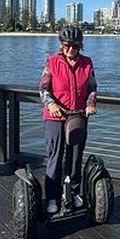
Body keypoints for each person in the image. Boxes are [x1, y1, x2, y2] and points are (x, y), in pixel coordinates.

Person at [39, 26, 97, 214]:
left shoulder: (87, 63)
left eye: (75, 46)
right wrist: (51, 104)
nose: (71, 49)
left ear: (80, 46)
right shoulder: (52, 62)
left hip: (78, 115)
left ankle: (73, 191)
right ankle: (53, 197)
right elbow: (43, 89)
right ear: (61, 45)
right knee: (55, 157)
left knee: (75, 155)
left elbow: (92, 88)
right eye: (67, 45)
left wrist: (90, 103)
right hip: (55, 115)